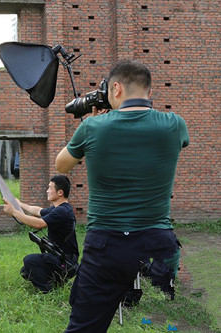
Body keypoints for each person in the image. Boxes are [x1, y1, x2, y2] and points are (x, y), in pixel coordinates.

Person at [55, 60, 189, 332]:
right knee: (164, 324)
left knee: (85, 326)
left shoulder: (93, 127)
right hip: (157, 246)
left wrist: (93, 122)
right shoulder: (174, 125)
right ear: (149, 93)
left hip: (106, 245)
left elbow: (62, 165)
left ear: (115, 89)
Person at [3, 175, 79, 293]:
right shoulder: (57, 209)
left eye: (50, 188)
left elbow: (38, 224)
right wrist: (19, 203)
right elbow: (37, 211)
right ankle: (58, 283)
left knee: (30, 261)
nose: (47, 190)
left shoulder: (62, 211)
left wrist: (14, 212)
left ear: (60, 192)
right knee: (26, 271)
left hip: (67, 262)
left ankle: (47, 292)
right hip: (61, 258)